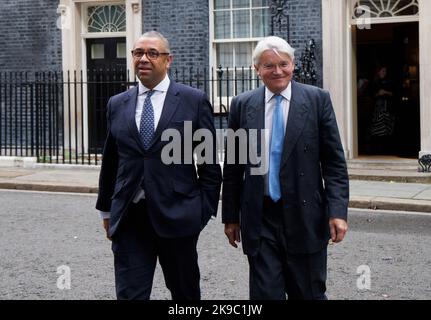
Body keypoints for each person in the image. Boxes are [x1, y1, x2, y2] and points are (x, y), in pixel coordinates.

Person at [95, 31, 222, 300]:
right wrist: (106, 210)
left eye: (152, 53)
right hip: (130, 217)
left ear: (168, 60)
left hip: (178, 216)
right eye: (138, 53)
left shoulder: (193, 100)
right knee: (130, 294)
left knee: (185, 294)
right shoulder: (117, 104)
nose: (143, 58)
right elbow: (111, 161)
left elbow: (209, 163)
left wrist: (202, 211)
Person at [222, 36, 349, 300]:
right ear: (257, 69)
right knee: (264, 295)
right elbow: (234, 166)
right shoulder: (242, 105)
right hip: (261, 216)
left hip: (305, 215)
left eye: (283, 64)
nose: (277, 71)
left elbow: (334, 162)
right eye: (269, 65)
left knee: (308, 293)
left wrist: (337, 212)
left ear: (293, 65)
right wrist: (231, 216)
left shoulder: (317, 100)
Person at [368, 66, 395, 153]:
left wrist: (385, 92)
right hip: (377, 109)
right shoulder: (374, 83)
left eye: (385, 71)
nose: (384, 72)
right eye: (382, 71)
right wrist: (378, 94)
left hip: (388, 108)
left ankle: (386, 150)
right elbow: (371, 96)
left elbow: (394, 94)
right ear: (378, 72)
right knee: (377, 129)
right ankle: (377, 150)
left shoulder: (389, 82)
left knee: (388, 129)